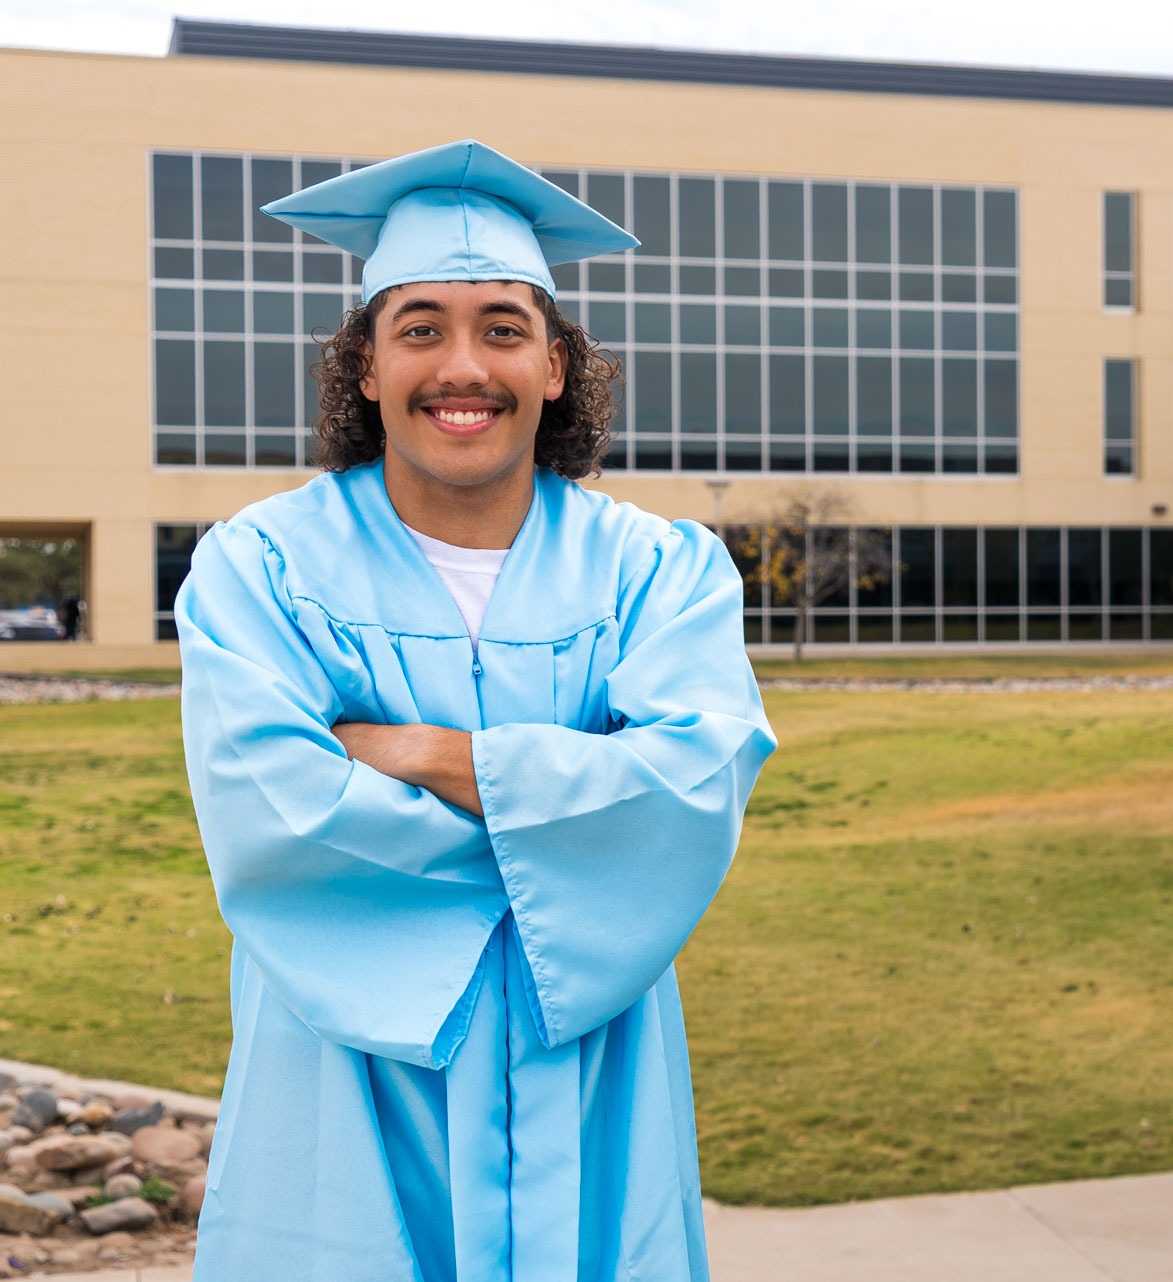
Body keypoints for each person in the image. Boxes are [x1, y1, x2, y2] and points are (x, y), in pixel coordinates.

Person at [175, 140, 777, 1282]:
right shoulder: (260, 566)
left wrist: (423, 754)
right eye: (420, 328)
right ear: (365, 367)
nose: (464, 366)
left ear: (558, 367)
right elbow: (274, 811)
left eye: (503, 327)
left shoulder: (660, 570)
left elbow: (693, 784)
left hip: (589, 1066)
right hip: (349, 1064)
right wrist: (568, 829)